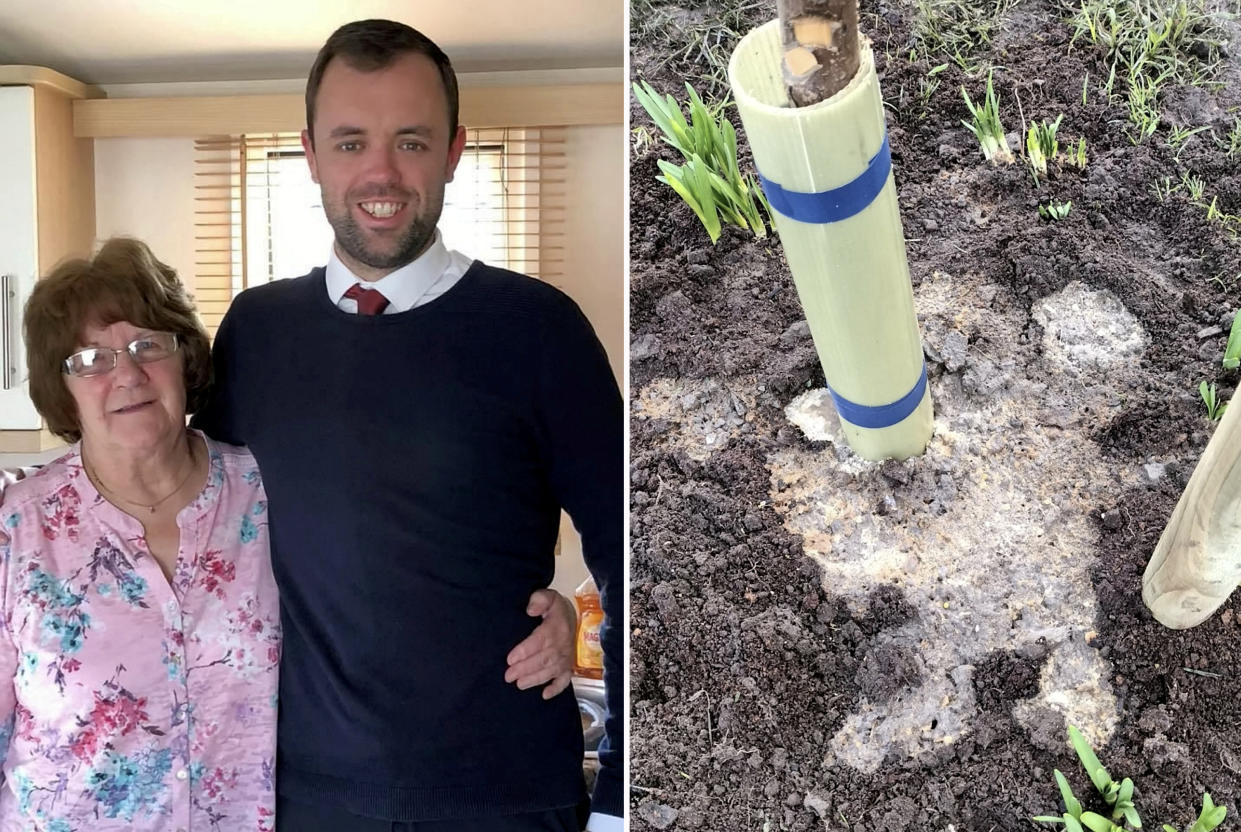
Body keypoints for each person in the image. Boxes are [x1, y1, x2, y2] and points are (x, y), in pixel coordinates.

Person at [191, 18, 624, 832]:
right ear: (310, 154)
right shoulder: (255, 331)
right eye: (350, 142)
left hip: (505, 797)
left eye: (412, 142)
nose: (380, 172)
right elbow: (202, 538)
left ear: (456, 150)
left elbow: (636, 551)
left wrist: (623, 794)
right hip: (303, 799)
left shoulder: (537, 328)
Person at [0, 238, 576, 830]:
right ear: (59, 386)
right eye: (91, 359)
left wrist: (543, 610)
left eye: (149, 345)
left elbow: (392, 560)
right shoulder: (15, 530)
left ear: (186, 360)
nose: (127, 374)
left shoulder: (263, 483)